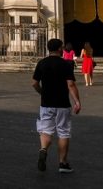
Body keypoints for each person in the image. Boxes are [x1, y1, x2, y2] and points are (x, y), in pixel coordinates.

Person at [32, 38, 82, 174]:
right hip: (62, 104)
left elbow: (34, 83)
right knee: (63, 132)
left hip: (46, 103)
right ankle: (63, 163)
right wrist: (77, 101)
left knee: (46, 131)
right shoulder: (66, 64)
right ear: (60, 48)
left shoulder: (42, 63)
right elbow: (70, 84)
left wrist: (42, 92)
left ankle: (43, 150)